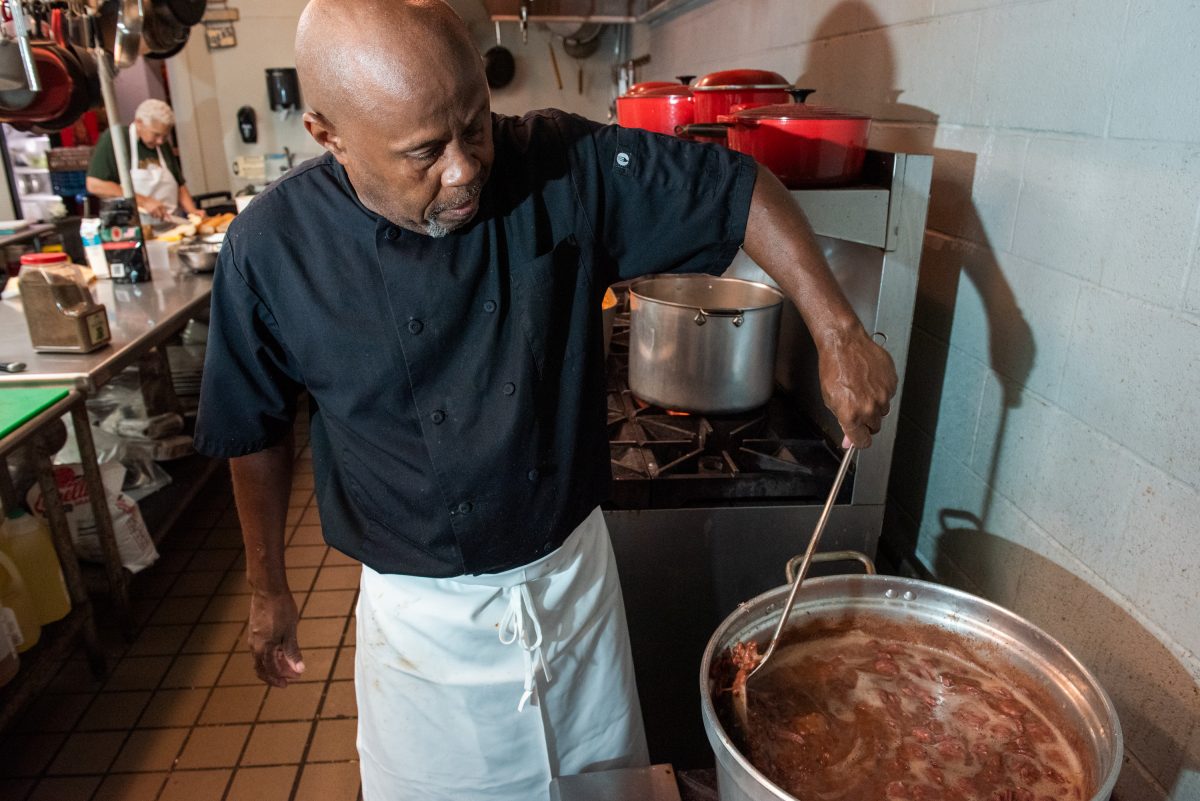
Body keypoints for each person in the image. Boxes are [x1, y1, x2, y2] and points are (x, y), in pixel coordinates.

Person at [193, 1, 897, 799]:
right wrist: (267, 587)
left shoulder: (562, 163)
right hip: (424, 633)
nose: (463, 170)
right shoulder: (272, 248)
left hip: (572, 595)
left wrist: (839, 329)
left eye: (475, 126)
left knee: (603, 787)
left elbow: (737, 190)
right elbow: (252, 430)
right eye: (424, 151)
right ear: (329, 134)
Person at [86, 98, 205, 222]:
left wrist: (193, 212)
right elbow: (95, 185)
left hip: (172, 224)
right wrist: (143, 201)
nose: (160, 141)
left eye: (164, 136)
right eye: (156, 134)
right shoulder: (116, 138)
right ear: (139, 123)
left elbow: (179, 185)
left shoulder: (162, 144)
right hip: (136, 226)